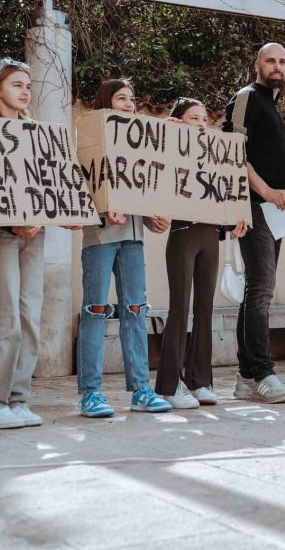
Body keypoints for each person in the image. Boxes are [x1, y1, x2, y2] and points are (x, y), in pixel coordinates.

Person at [0, 59, 81, 429]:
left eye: (28, 86)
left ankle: (18, 400)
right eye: (16, 84)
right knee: (3, 319)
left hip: (34, 235)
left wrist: (58, 215)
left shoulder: (38, 134)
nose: (25, 91)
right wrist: (11, 220)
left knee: (29, 318)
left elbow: (47, 186)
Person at [76, 79, 173, 417]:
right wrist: (103, 209)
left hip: (133, 240)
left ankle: (141, 390)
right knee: (95, 310)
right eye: (121, 98)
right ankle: (90, 393)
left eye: (132, 99)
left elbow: (143, 191)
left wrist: (154, 219)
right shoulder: (89, 142)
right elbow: (81, 188)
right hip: (100, 239)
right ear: (106, 102)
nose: (130, 104)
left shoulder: (141, 146)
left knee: (135, 310)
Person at [157, 98, 248, 409]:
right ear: (180, 121)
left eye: (203, 119)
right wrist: (169, 130)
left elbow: (226, 191)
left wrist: (232, 225)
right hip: (183, 232)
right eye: (192, 118)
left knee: (205, 308)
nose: (200, 123)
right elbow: (157, 153)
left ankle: (200, 381)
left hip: (211, 234)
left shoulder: (216, 155)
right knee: (180, 308)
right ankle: (170, 385)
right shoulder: (170, 149)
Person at [221, 44, 285, 403]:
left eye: (282, 61)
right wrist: (265, 190)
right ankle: (264, 375)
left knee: (257, 290)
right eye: (271, 61)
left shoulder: (273, 106)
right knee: (261, 289)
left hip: (274, 212)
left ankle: (246, 377)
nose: (277, 66)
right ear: (256, 65)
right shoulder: (245, 97)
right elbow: (231, 149)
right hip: (253, 206)